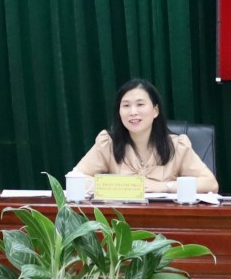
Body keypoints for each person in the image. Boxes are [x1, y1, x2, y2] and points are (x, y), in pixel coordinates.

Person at [69, 78, 218, 195]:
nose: (133, 112)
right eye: (126, 105)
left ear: (155, 110)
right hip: (121, 219)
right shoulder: (108, 143)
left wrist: (165, 186)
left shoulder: (177, 146)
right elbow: (76, 178)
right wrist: (119, 187)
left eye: (140, 104)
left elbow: (210, 184)